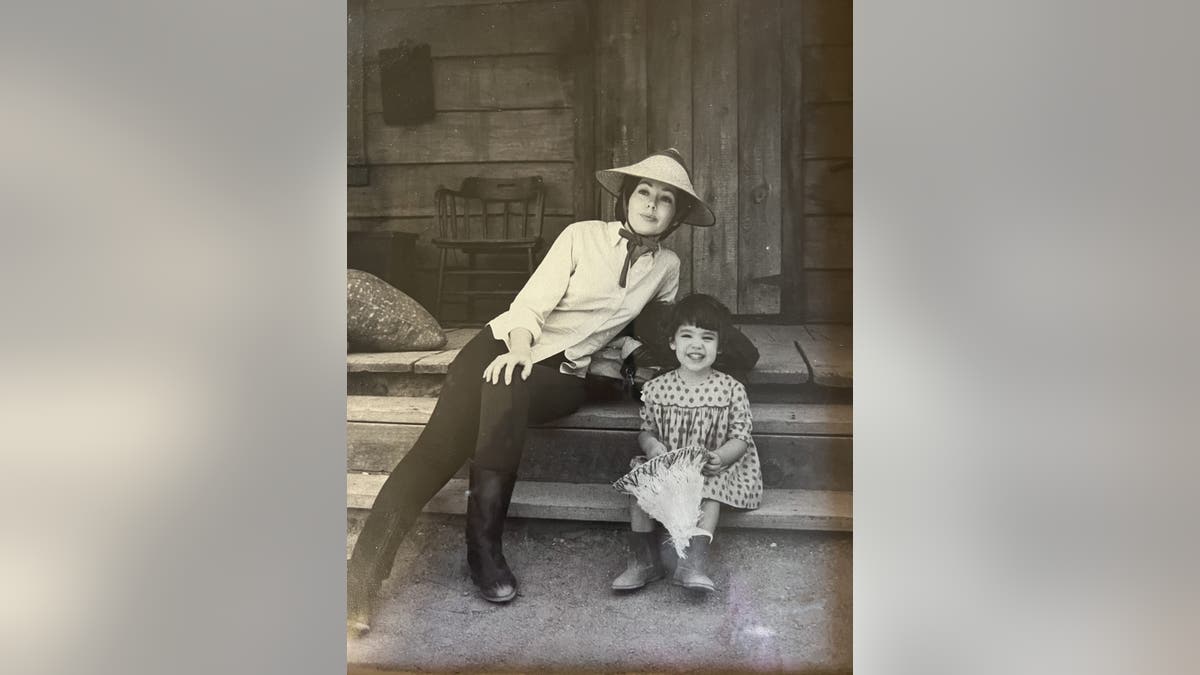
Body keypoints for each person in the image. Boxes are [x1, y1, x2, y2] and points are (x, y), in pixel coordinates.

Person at [347, 148, 716, 635]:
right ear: (625, 197)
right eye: (643, 192)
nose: (650, 205)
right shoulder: (580, 236)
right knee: (436, 449)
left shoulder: (667, 266)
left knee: (508, 389)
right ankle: (360, 581)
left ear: (677, 216)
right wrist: (519, 350)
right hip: (503, 345)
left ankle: (482, 553)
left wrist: (630, 363)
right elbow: (531, 305)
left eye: (665, 199)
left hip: (563, 373)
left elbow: (641, 330)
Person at [610, 293, 764, 593]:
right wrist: (652, 446)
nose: (697, 345)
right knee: (641, 485)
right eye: (687, 336)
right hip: (672, 464)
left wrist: (722, 456)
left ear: (719, 347)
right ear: (672, 343)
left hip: (713, 468)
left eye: (707, 338)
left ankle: (692, 563)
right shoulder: (656, 388)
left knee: (709, 490)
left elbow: (741, 437)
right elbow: (647, 429)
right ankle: (644, 561)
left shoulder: (731, 389)